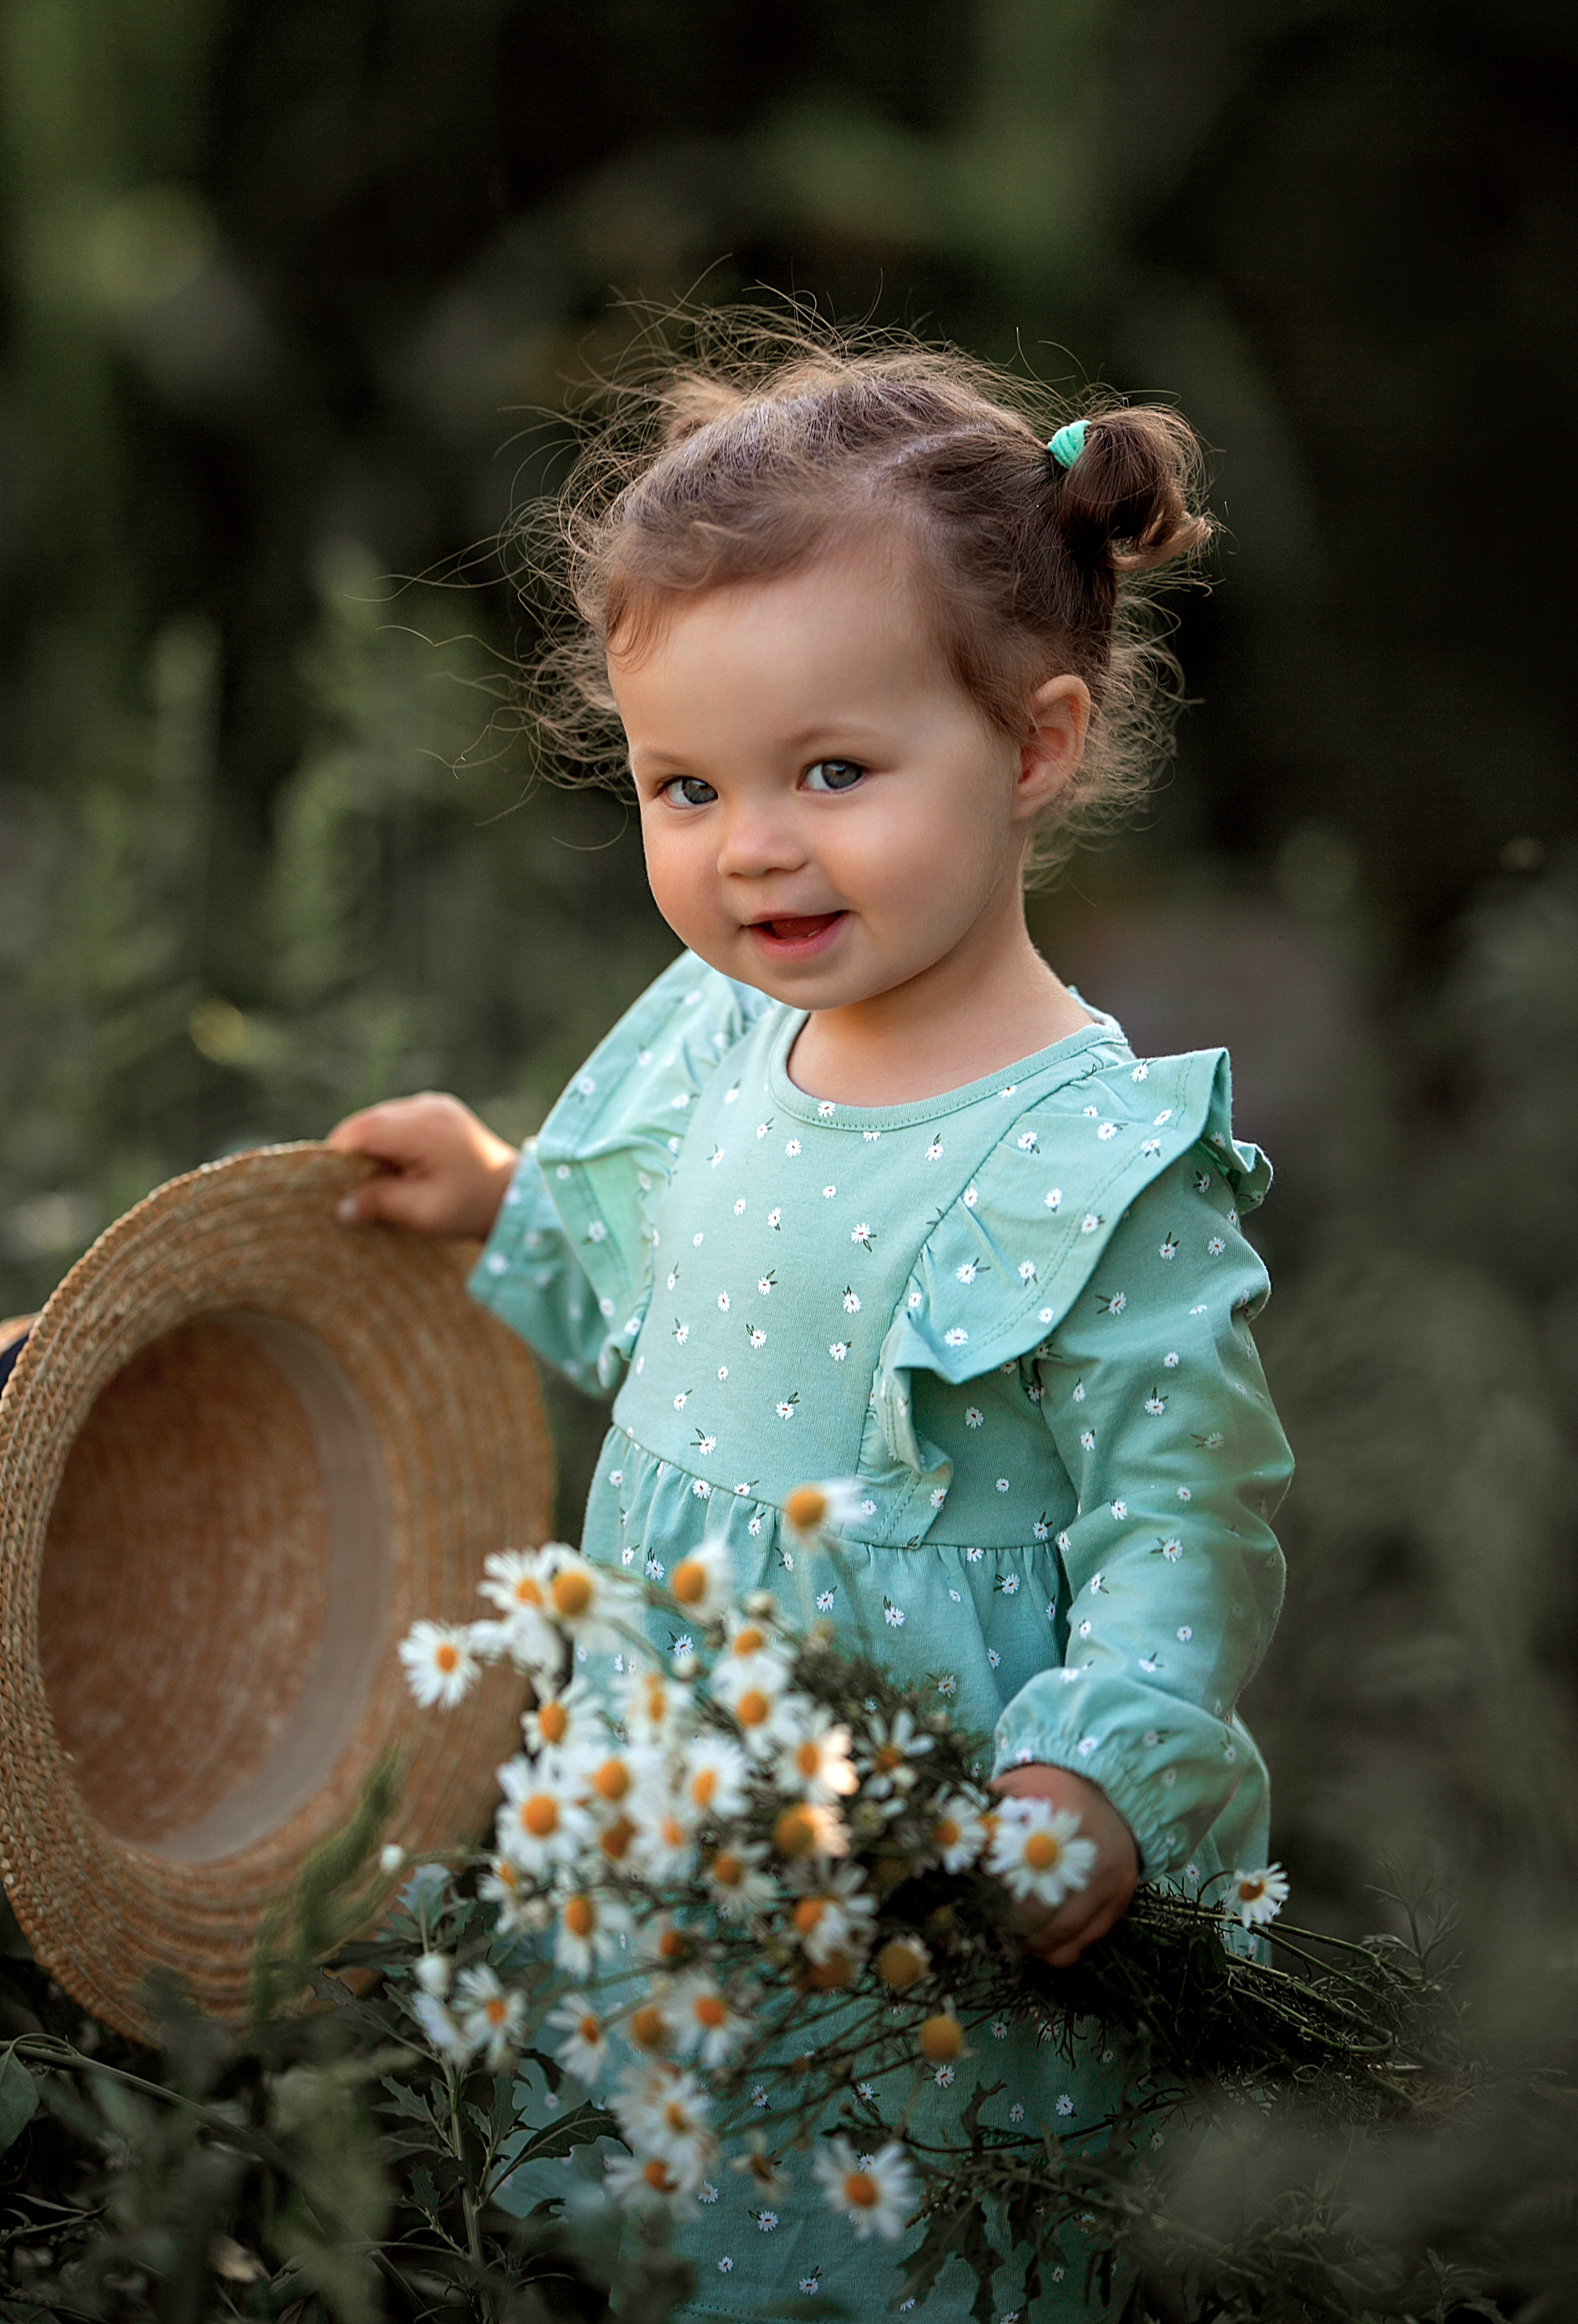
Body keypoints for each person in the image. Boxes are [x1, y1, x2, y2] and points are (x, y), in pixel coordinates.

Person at [329, 325, 1293, 2320]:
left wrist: (1092, 1777)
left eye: (832, 772)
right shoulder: (730, 1029)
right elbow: (685, 1278)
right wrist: (506, 1191)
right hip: (675, 1751)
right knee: (652, 2159)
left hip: (918, 1813)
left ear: (1030, 748)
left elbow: (1183, 1513)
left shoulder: (1098, 1154)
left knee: (891, 2210)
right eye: (688, 785)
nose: (750, 843)